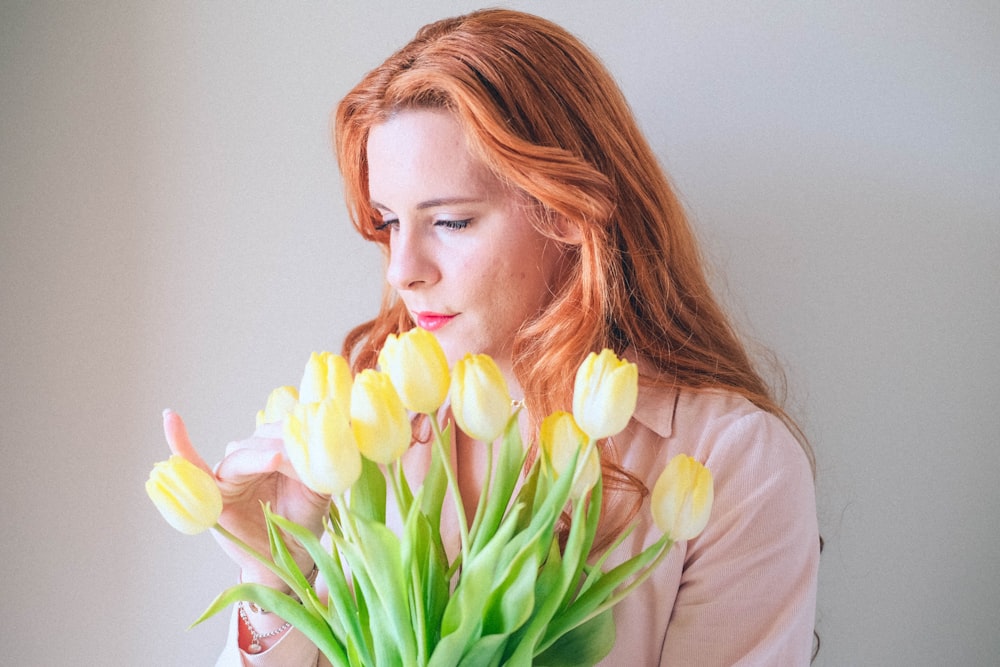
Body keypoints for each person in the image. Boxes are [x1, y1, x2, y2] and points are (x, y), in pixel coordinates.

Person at [164, 8, 819, 665]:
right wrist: (276, 569)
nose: (402, 271)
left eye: (449, 220)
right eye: (389, 223)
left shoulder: (733, 462)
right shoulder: (367, 423)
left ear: (565, 212)